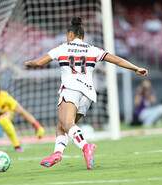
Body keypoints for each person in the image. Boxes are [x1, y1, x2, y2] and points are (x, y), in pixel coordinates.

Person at [24, 17, 148, 170]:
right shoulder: (92, 49)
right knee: (62, 125)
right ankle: (57, 153)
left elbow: (38, 62)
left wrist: (28, 63)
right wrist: (135, 68)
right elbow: (115, 60)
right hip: (88, 93)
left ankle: (85, 146)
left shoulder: (62, 48)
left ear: (70, 35)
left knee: (67, 123)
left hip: (70, 88)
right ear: (82, 36)